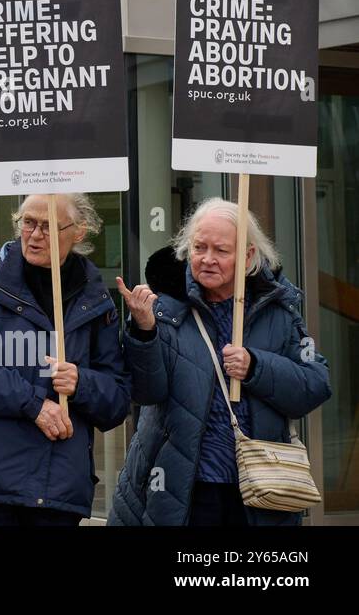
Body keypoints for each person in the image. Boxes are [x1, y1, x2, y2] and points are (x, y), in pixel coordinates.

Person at [111, 198, 331, 526]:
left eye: (221, 250)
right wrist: (143, 331)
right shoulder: (166, 308)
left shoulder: (279, 312)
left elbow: (315, 384)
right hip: (181, 486)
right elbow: (146, 392)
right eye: (199, 247)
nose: (208, 259)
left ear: (248, 256)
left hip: (258, 488)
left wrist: (256, 367)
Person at [0, 194, 130, 525]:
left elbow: (117, 401)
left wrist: (82, 383)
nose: (34, 235)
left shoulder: (96, 300)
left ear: (78, 232)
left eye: (48, 226)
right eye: (28, 223)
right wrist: (34, 404)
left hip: (56, 490)